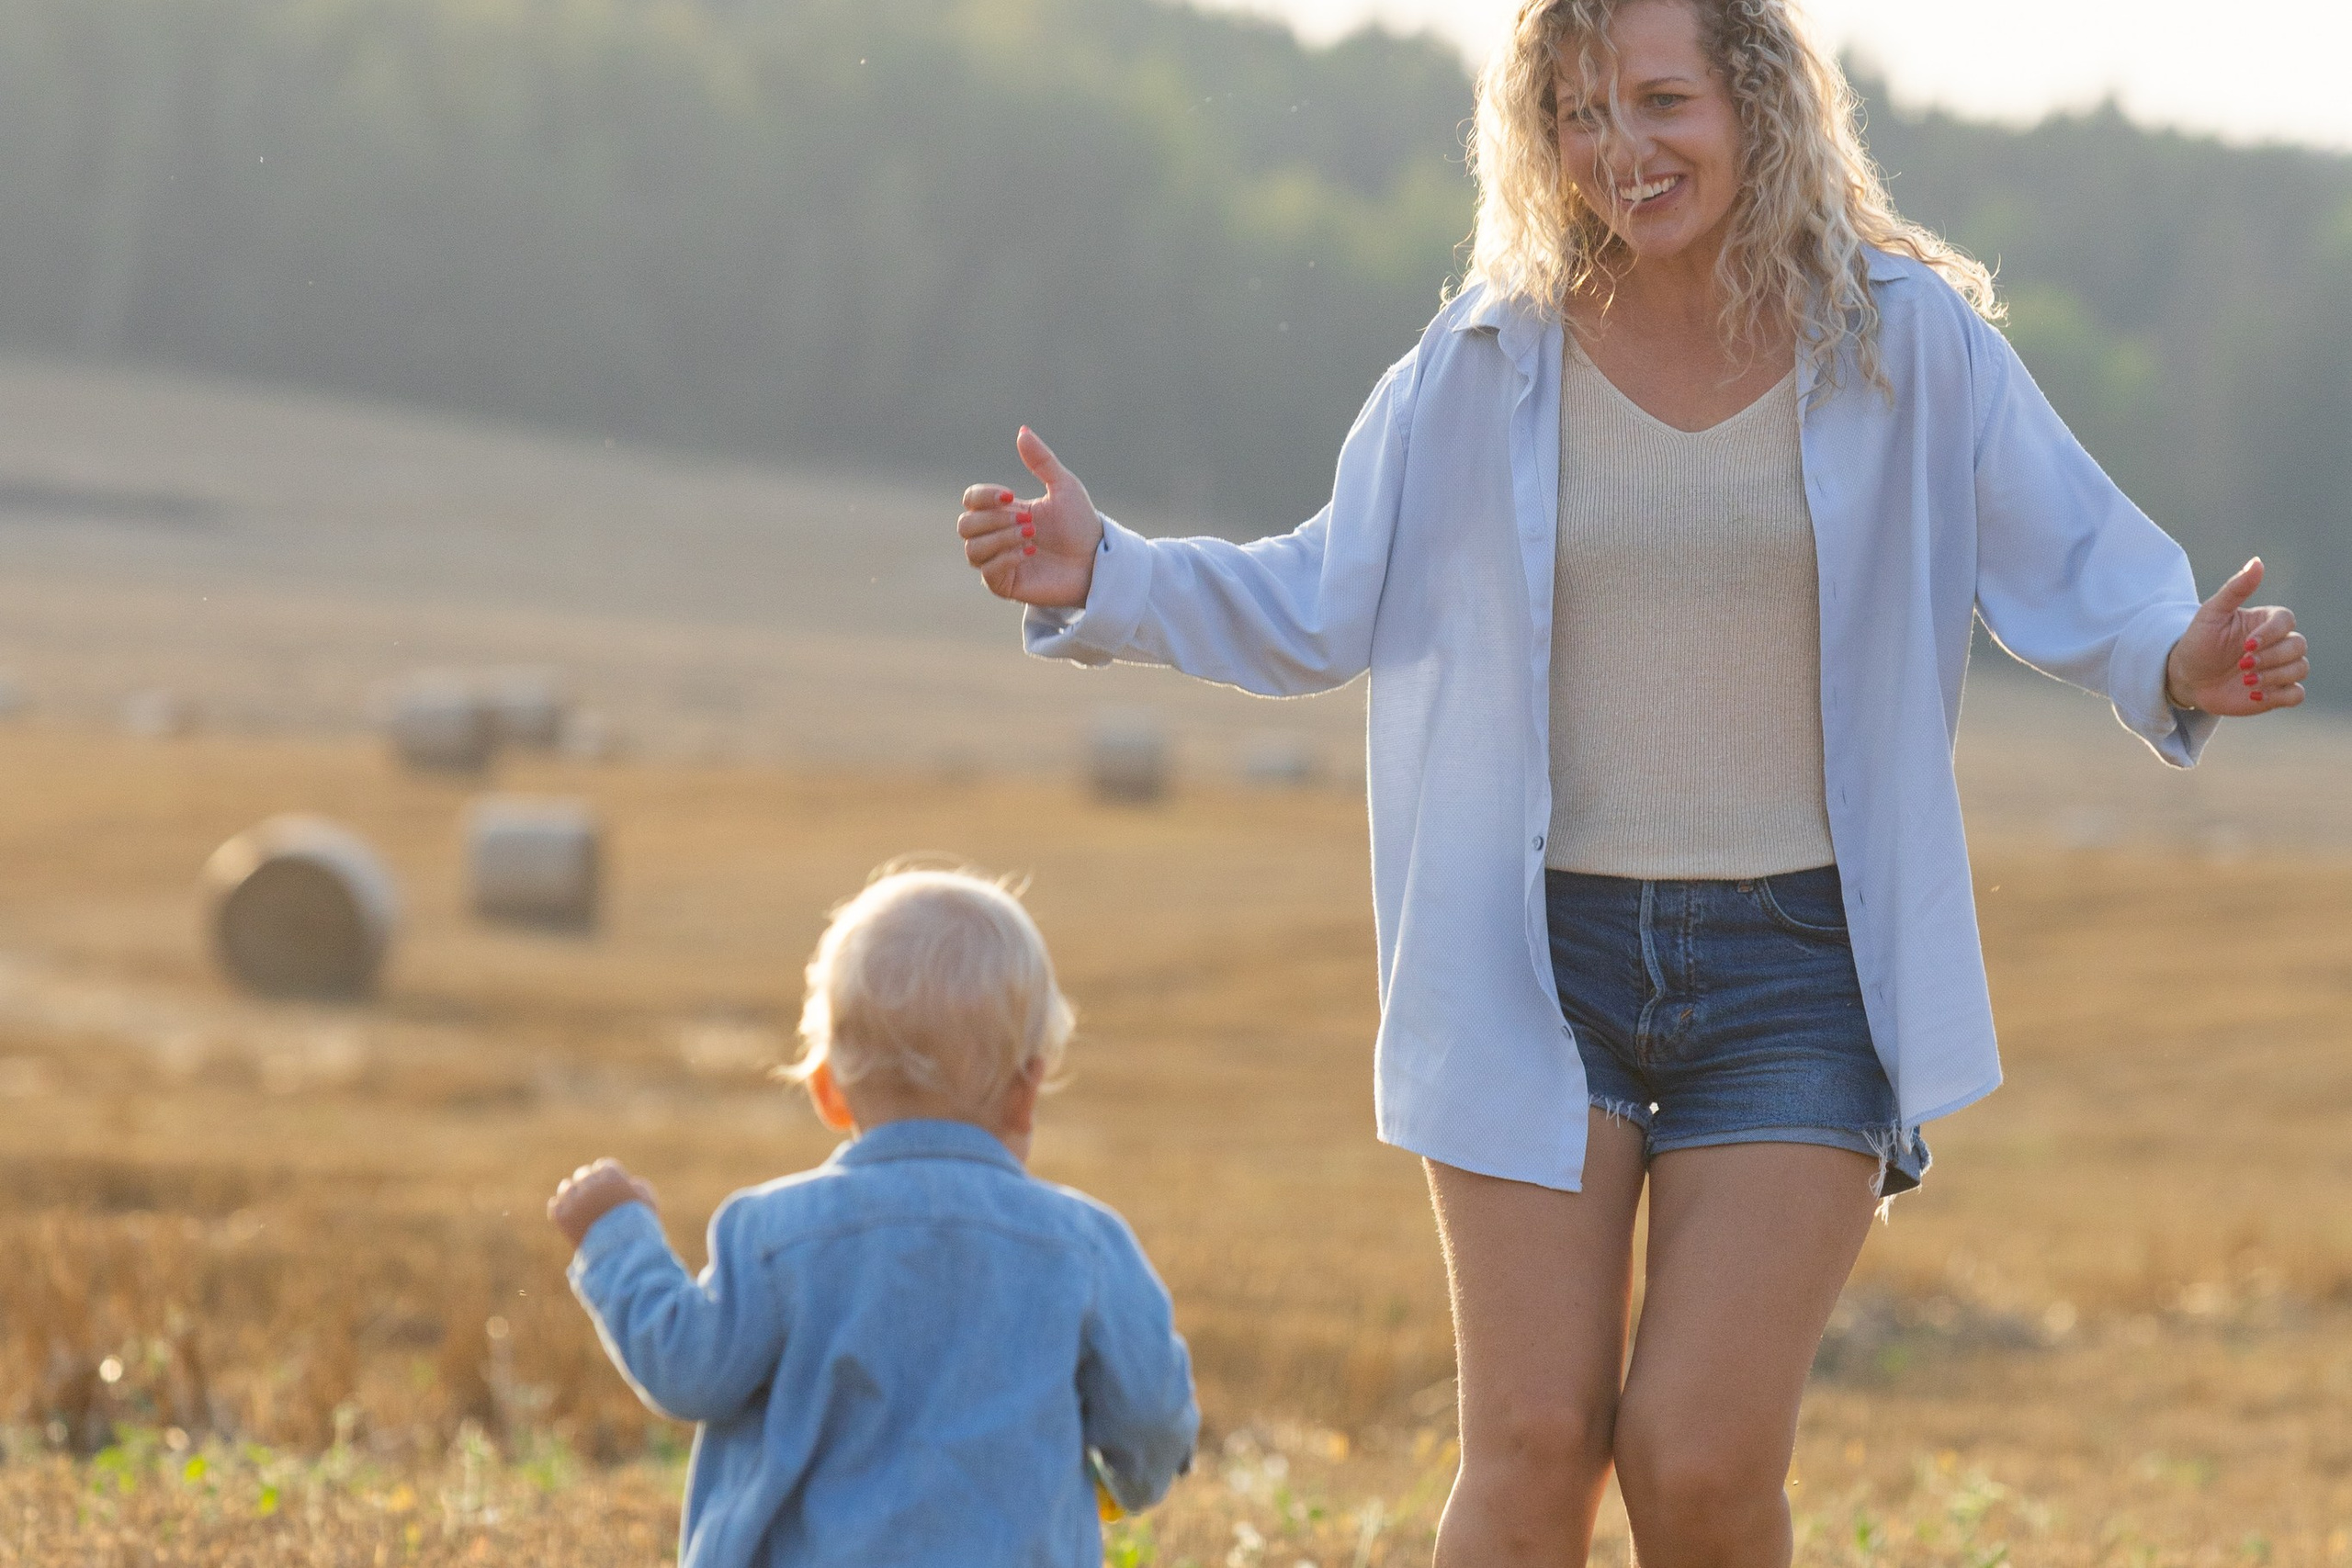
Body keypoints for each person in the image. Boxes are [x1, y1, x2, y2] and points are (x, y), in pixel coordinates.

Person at [952, 1, 2312, 1562]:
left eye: (1661, 101)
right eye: (1580, 115)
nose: (1623, 149)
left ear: (1755, 100)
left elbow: (2075, 557)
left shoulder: (1904, 340)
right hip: (1540, 962)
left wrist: (2175, 653)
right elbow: (1317, 600)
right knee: (1531, 1442)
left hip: (1803, 975)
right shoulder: (1482, 357)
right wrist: (1103, 571)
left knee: (1698, 1457)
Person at [548, 866, 1198, 1568]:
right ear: (1027, 1088)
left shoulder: (775, 1240)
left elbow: (687, 1369)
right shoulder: (1085, 1249)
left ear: (827, 1089)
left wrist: (619, 1242)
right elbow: (1152, 1414)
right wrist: (1127, 1481)